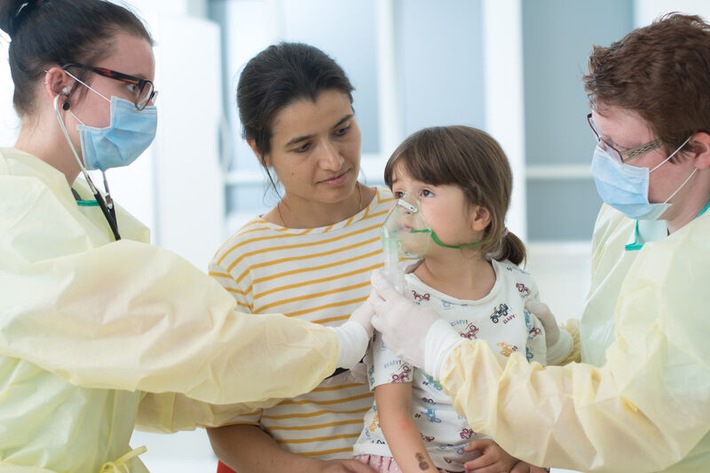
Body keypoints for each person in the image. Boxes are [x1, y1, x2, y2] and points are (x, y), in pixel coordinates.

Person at [0, 2, 373, 471]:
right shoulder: (14, 211)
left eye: (150, 91)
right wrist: (339, 347)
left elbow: (152, 387)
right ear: (60, 85)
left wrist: (261, 384)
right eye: (132, 87)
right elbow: (181, 338)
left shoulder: (86, 211)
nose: (145, 107)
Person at [368, 12, 710, 473]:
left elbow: (632, 420)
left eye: (623, 150)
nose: (605, 162)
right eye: (598, 136)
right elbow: (609, 356)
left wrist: (441, 349)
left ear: (699, 150)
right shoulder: (629, 213)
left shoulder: (699, 269)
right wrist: (555, 355)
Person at [205, 42, 392, 473]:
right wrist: (313, 470)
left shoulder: (415, 221)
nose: (333, 159)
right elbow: (227, 423)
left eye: (342, 130)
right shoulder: (240, 265)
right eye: (303, 146)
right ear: (260, 151)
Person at [351, 126, 566, 473]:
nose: (405, 209)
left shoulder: (519, 289)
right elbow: (394, 413)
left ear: (479, 215)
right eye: (398, 194)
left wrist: (519, 453)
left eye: (424, 192)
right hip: (403, 460)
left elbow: (532, 397)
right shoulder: (400, 299)